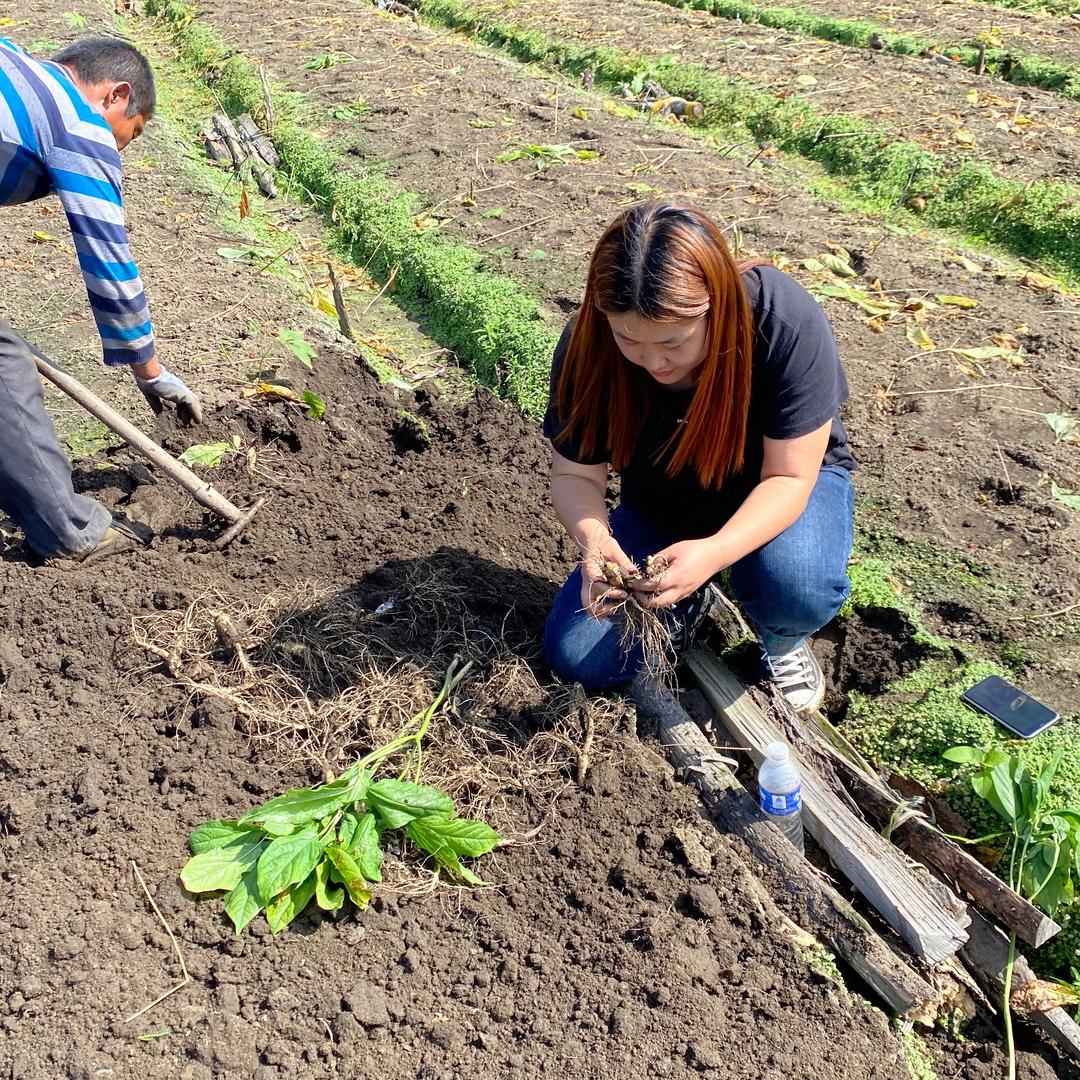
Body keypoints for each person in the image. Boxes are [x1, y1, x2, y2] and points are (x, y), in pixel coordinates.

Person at [541, 201, 856, 713]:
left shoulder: (780, 320)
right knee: (579, 658)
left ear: (716, 306)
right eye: (629, 338)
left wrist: (715, 552)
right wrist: (596, 541)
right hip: (665, 503)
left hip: (778, 488)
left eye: (673, 341)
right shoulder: (587, 347)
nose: (653, 362)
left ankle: (780, 642)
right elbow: (575, 474)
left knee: (796, 583)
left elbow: (789, 476)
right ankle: (688, 599)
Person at [0, 36, 202, 560]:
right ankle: (70, 531)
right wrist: (150, 371)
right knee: (5, 361)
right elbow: (109, 264)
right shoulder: (80, 123)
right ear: (116, 95)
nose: (117, 151)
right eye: (127, 136)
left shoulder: (15, 61)